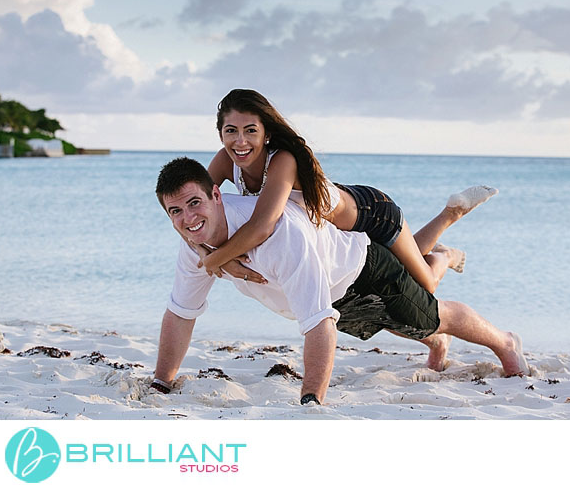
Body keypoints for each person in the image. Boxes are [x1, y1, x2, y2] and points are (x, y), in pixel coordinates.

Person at [152, 157, 528, 405]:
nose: (188, 218)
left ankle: (505, 342)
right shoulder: (194, 244)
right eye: (176, 211)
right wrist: (161, 382)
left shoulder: (279, 233)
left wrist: (311, 399)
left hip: (364, 271)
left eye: (195, 203)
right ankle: (437, 338)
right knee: (390, 323)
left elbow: (319, 324)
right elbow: (181, 314)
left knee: (431, 315)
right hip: (334, 290)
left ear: (217, 194)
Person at [200, 88, 496, 294]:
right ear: (220, 133)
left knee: (426, 283)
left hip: (373, 214)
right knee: (405, 262)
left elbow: (262, 226)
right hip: (344, 222)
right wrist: (207, 253)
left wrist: (214, 260)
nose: (240, 141)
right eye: (231, 131)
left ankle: (448, 249)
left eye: (250, 130)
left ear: (266, 134)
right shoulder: (225, 161)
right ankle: (447, 220)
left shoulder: (282, 160)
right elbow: (189, 204)